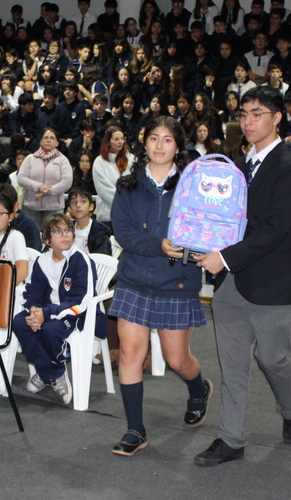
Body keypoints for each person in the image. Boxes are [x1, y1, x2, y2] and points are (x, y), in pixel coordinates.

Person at [193, 86, 291, 467]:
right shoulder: (235, 168)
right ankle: (231, 438)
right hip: (231, 286)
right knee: (233, 367)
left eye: (257, 113)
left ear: (277, 118)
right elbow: (219, 218)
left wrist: (223, 257)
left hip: (274, 284)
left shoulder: (290, 169)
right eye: (243, 114)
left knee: (273, 360)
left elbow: (275, 229)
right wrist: (195, 240)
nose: (248, 121)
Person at [109, 115, 212, 457]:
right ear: (145, 142)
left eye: (168, 139)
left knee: (177, 359)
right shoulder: (127, 186)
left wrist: (191, 249)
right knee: (131, 353)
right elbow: (123, 232)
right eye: (154, 137)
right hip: (134, 279)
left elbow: (207, 232)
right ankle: (135, 430)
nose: (159, 145)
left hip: (176, 282)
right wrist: (158, 245)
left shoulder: (195, 188)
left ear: (178, 146)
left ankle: (199, 390)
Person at [13, 214, 97, 405]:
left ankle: (46, 372)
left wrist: (46, 314)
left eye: (68, 230)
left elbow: (81, 301)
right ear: (47, 240)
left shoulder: (81, 260)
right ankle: (53, 372)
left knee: (50, 330)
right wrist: (35, 310)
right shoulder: (42, 261)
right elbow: (34, 290)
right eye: (57, 232)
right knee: (19, 322)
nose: (65, 235)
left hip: (75, 314)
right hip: (48, 311)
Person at [17, 127, 73, 227]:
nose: (48, 140)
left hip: (54, 208)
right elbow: (21, 178)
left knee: (53, 234)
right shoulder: (30, 158)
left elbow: (67, 182)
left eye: (52, 138)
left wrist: (47, 191)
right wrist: (39, 187)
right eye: (46, 138)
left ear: (57, 143)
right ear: (40, 141)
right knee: (31, 234)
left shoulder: (63, 160)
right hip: (31, 207)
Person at [93, 125, 135, 227]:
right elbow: (103, 190)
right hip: (107, 216)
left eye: (122, 138)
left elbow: (135, 185)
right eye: (116, 139)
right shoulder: (99, 162)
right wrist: (123, 203)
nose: (120, 142)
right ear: (108, 142)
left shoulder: (132, 159)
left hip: (129, 216)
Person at [67, 188, 112, 255]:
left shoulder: (100, 231)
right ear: (69, 208)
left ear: (91, 207)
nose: (78, 205)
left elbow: (103, 257)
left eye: (83, 201)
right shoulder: (65, 229)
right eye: (74, 202)